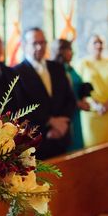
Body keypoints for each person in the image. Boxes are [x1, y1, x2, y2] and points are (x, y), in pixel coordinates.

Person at [14, 28, 76, 159]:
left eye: (43, 43)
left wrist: (62, 124)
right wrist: (49, 122)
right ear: (25, 45)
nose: (40, 47)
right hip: (37, 139)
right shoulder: (16, 72)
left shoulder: (57, 67)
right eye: (35, 43)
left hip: (62, 136)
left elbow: (69, 99)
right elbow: (21, 106)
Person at [77, 34, 108, 147]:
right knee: (92, 145)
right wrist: (95, 105)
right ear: (88, 46)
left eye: (101, 42)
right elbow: (80, 87)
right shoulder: (83, 64)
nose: (98, 45)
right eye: (95, 43)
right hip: (91, 112)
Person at [51, 39, 92, 152]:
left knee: (78, 143)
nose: (72, 53)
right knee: (71, 144)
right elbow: (61, 94)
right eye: (69, 49)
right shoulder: (58, 70)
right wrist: (78, 103)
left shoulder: (71, 68)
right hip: (68, 112)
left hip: (76, 111)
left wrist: (84, 96)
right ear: (61, 51)